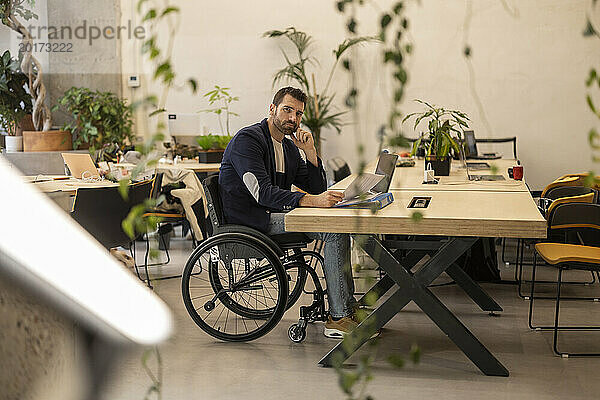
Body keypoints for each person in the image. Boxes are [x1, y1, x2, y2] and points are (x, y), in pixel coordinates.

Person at [218, 86, 358, 338]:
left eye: (298, 113)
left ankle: (347, 307)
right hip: (251, 220)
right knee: (333, 232)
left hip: (275, 213)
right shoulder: (248, 140)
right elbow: (262, 193)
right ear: (272, 109)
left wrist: (311, 153)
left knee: (339, 226)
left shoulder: (290, 148)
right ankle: (339, 317)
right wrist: (311, 201)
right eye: (287, 110)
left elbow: (316, 187)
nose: (293, 118)